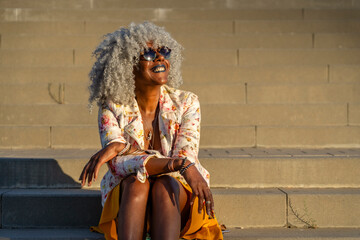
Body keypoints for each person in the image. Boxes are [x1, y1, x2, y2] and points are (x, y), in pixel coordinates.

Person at [79, 22, 223, 240]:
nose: (160, 58)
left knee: (164, 185)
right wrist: (175, 163)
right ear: (127, 65)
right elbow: (117, 165)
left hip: (174, 196)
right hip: (130, 198)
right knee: (137, 182)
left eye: (163, 51)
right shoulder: (112, 106)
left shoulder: (187, 103)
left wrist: (124, 149)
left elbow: (184, 159)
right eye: (148, 53)